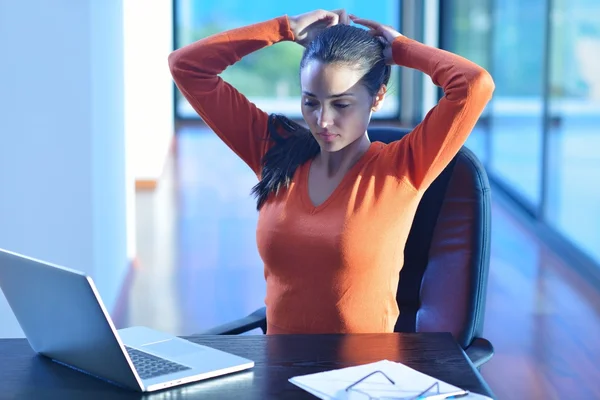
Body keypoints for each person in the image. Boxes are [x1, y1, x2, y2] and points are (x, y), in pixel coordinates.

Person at [168, 9, 494, 335]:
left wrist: (403, 49)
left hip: (364, 377)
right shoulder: (273, 151)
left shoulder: (406, 167)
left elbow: (473, 84)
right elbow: (186, 66)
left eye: (341, 104)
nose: (322, 121)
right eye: (311, 102)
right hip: (279, 370)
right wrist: (284, 29)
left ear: (377, 98)